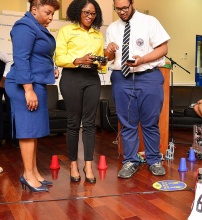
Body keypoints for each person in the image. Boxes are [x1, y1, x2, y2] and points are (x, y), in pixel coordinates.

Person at [104, 0, 170, 178]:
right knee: (127, 123)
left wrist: (143, 59)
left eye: (125, 8)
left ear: (132, 3)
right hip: (122, 78)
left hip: (148, 76)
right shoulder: (112, 28)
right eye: (118, 9)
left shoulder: (150, 22)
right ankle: (130, 161)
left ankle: (154, 160)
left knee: (150, 122)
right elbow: (108, 57)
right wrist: (108, 50)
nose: (122, 12)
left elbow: (163, 48)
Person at [5, 0, 60, 192]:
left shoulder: (36, 26)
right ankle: (28, 176)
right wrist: (28, 90)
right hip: (24, 86)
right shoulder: (24, 26)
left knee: (33, 131)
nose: (51, 17)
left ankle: (34, 172)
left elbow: (39, 55)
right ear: (34, 9)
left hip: (35, 83)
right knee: (28, 131)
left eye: (52, 13)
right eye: (48, 12)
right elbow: (21, 58)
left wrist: (50, 69)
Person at [55, 0, 105, 184]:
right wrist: (78, 60)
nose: (89, 16)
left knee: (90, 124)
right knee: (73, 123)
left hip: (92, 78)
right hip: (71, 78)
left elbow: (101, 63)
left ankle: (88, 165)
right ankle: (74, 164)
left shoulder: (98, 34)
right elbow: (59, 58)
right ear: (77, 12)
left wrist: (102, 62)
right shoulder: (66, 31)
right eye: (86, 12)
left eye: (93, 13)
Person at [0, 51, 13, 147]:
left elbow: (10, 60)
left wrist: (4, 78)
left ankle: (16, 140)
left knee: (12, 108)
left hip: (6, 80)